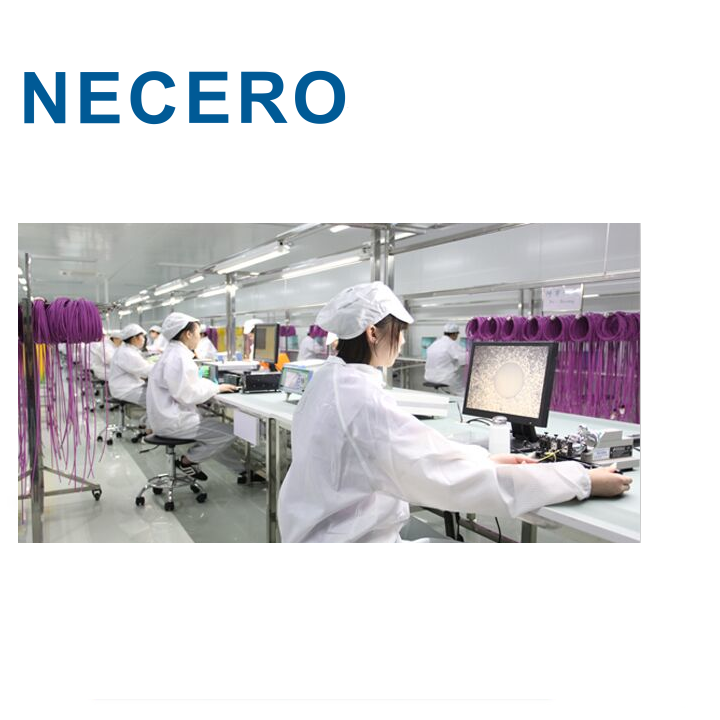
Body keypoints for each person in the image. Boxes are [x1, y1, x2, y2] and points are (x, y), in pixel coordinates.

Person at [277, 282, 631, 543]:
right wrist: (582, 480)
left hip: (323, 531)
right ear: (372, 332)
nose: (402, 342)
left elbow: (422, 451)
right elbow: (449, 479)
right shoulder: (362, 401)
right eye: (400, 332)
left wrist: (485, 458)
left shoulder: (330, 379)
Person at [146, 312, 239, 481]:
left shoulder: (174, 354)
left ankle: (240, 469)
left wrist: (212, 387)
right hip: (174, 422)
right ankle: (187, 461)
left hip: (166, 418)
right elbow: (187, 395)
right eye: (197, 332)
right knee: (228, 433)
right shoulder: (179, 358)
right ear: (188, 334)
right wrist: (216, 388)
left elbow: (189, 384)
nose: (199, 336)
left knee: (217, 429)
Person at [108, 324, 154, 405]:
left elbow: (142, 367)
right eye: (142, 337)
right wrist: (161, 366)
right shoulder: (127, 353)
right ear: (134, 338)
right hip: (126, 390)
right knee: (158, 399)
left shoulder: (127, 349)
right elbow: (145, 371)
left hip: (127, 386)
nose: (144, 339)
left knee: (157, 393)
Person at [424, 322, 467, 395]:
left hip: (429, 377)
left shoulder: (434, 343)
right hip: (445, 378)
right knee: (464, 392)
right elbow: (465, 358)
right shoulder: (451, 344)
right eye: (457, 334)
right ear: (454, 334)